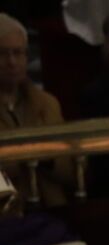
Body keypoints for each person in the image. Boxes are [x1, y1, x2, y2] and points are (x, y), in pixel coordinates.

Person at [0, 14, 73, 207]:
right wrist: (27, 157)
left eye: (18, 53)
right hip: (8, 211)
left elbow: (71, 167)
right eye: (2, 54)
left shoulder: (47, 104)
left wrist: (48, 160)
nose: (12, 62)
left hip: (52, 207)